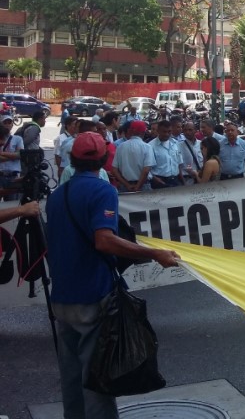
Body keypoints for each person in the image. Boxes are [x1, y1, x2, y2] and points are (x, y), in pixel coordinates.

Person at [45, 131, 181, 419]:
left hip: (62, 297)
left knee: (71, 375)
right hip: (93, 295)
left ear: (72, 159)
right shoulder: (102, 191)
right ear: (106, 159)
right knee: (97, 378)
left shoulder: (58, 195)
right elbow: (104, 240)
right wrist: (154, 253)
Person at [113, 120, 155, 193]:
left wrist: (127, 185)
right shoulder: (147, 147)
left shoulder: (120, 146)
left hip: (125, 186)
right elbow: (146, 170)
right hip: (143, 186)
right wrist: (138, 187)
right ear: (144, 132)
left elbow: (114, 169)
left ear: (131, 131)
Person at [148, 120, 182, 189]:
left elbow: (179, 163)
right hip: (159, 182)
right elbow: (147, 167)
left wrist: (182, 181)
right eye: (164, 132)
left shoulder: (175, 143)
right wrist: (154, 178)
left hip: (175, 180)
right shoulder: (150, 146)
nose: (166, 134)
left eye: (169, 132)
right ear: (158, 131)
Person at [0, 116, 24, 200]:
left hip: (13, 176)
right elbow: (16, 155)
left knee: (11, 203)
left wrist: (2, 153)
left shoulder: (17, 139)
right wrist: (12, 156)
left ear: (12, 124)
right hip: (1, 174)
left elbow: (20, 155)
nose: (7, 125)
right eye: (5, 122)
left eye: (9, 122)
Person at [179, 121, 203, 185]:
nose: (187, 132)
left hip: (201, 178)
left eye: (190, 130)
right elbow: (178, 166)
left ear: (195, 130)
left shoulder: (201, 144)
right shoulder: (179, 146)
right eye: (185, 130)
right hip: (187, 180)